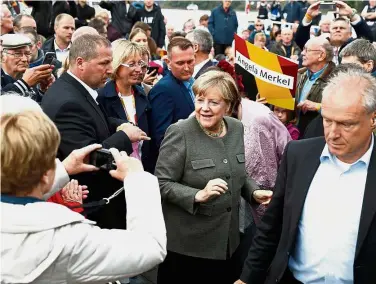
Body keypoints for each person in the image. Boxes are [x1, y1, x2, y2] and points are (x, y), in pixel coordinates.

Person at [237, 68, 376, 284]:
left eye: (346, 124)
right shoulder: (298, 155)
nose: (332, 133)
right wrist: (247, 279)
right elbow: (272, 226)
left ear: (373, 119)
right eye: (327, 120)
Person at [1, 109, 167, 284]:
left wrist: (62, 169)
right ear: (45, 172)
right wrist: (137, 178)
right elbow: (150, 248)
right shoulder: (62, 239)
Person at [155, 70, 271, 284]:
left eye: (213, 102)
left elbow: (238, 172)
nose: (204, 108)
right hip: (187, 249)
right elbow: (161, 183)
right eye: (200, 100)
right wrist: (198, 195)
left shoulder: (236, 128)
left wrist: (254, 191)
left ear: (228, 106)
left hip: (228, 244)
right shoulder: (180, 132)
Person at [41, 34, 148, 229]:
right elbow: (89, 158)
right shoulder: (69, 102)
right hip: (90, 205)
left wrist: (118, 124)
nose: (109, 69)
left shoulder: (75, 89)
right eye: (104, 63)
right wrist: (125, 136)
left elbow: (94, 118)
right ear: (80, 63)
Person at [98, 40, 152, 172]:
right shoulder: (101, 97)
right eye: (131, 64)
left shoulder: (143, 94)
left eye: (140, 63)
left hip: (144, 165)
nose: (138, 69)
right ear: (117, 65)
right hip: (116, 170)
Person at [148, 37, 195, 172]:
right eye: (180, 63)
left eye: (190, 61)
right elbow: (162, 137)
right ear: (168, 62)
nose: (186, 67)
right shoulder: (163, 89)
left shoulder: (193, 83)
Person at [295, 1, 374, 65]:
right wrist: (308, 16)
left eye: (342, 28)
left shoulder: (355, 47)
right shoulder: (321, 46)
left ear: (350, 34)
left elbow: (367, 40)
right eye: (334, 28)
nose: (338, 30)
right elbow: (301, 41)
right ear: (329, 32)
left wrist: (351, 14)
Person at [295, 37, 335, 137]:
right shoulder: (299, 74)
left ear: (321, 55)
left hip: (319, 137)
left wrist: (317, 106)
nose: (302, 53)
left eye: (306, 50)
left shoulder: (337, 79)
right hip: (296, 134)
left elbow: (343, 111)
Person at [1, 34, 54, 102]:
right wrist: (24, 84)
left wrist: (43, 90)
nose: (25, 59)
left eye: (27, 54)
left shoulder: (31, 76)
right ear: (2, 55)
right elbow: (3, 104)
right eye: (18, 54)